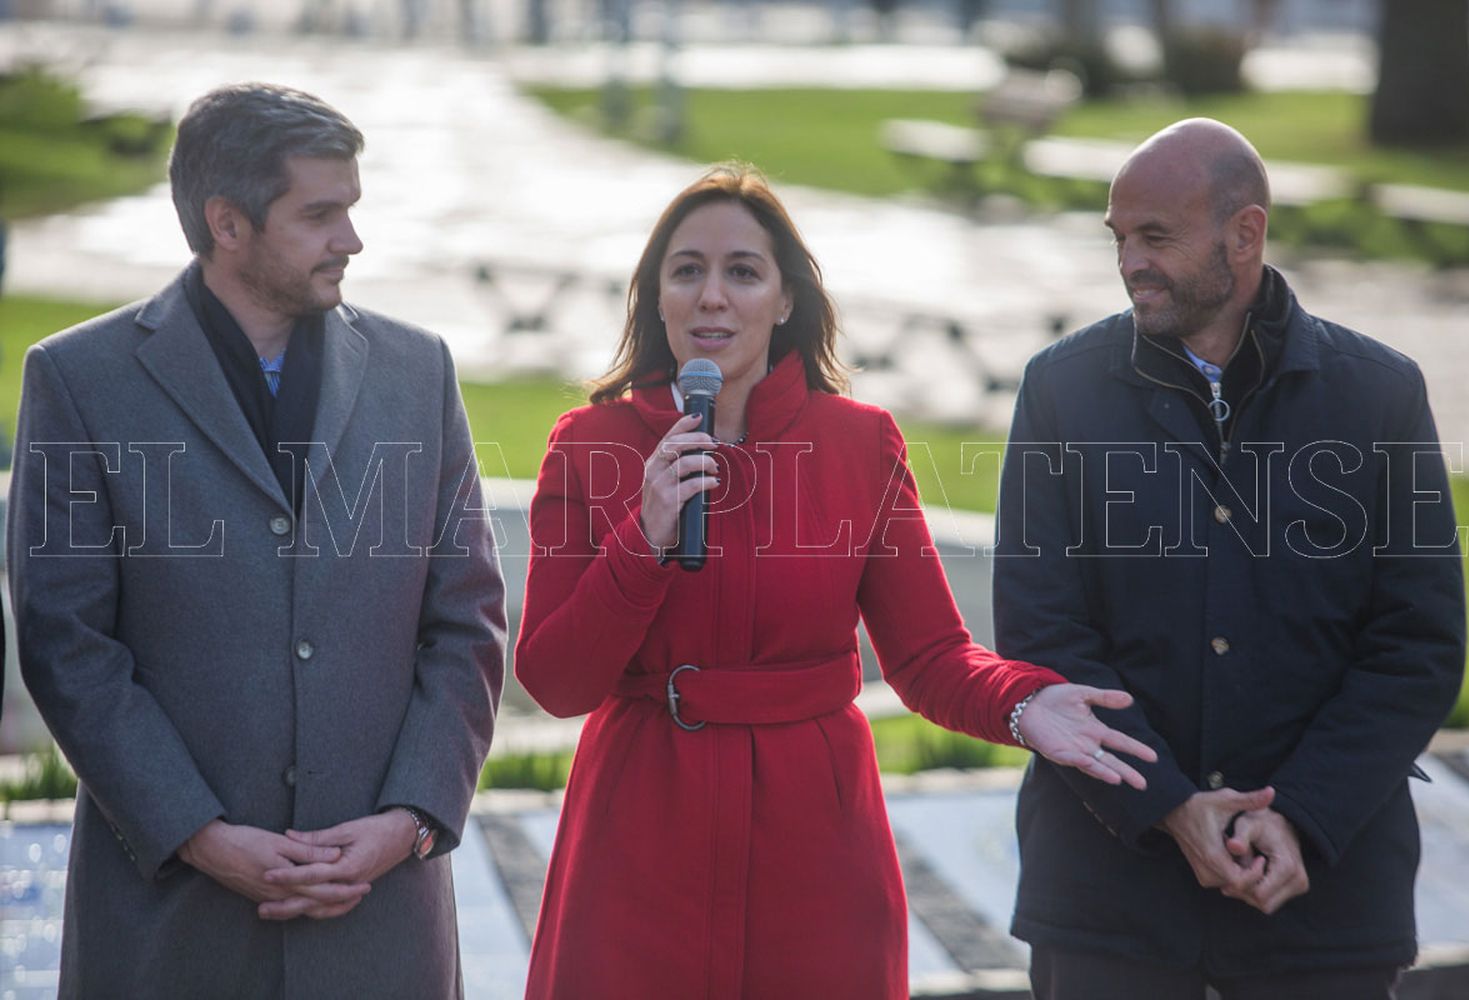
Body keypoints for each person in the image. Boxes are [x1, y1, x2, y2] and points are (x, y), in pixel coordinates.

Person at [514, 163, 1157, 999]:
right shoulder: (588, 442)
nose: (713, 295)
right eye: (687, 270)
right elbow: (555, 682)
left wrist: (1024, 702)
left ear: (785, 302)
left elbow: (929, 656)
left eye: (743, 271)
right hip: (638, 832)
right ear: (656, 298)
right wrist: (644, 538)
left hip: (814, 843)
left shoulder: (859, 444)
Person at [7, 83, 506, 998]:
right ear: (226, 223)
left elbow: (467, 620)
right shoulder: (79, 380)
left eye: (351, 209)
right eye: (320, 214)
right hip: (167, 929)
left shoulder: (418, 371)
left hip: (381, 924)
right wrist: (198, 833)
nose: (350, 240)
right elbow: (66, 643)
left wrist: (409, 820)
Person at [993, 118, 1465, 999]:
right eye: (1119, 238)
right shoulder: (1059, 389)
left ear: (1244, 234)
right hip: (1109, 904)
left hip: (1323, 904)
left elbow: (1418, 642)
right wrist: (1168, 805)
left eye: (1156, 237)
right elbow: (1040, 632)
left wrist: (1303, 817)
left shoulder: (1380, 394)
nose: (1129, 260)